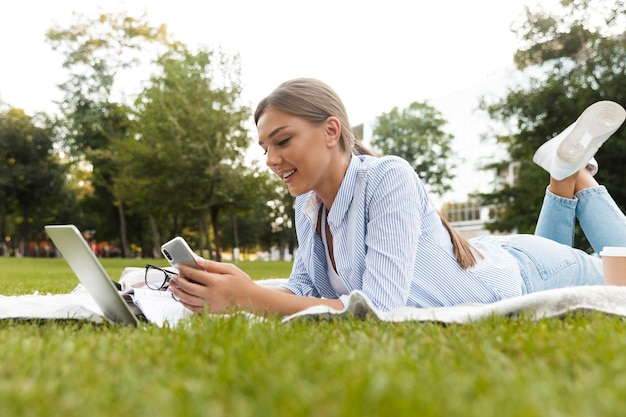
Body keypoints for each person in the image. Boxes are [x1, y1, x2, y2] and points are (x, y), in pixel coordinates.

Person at [168, 78, 626, 316]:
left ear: (331, 130)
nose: (270, 158)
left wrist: (250, 298)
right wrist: (234, 283)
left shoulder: (389, 177)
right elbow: (305, 291)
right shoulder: (307, 208)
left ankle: (571, 177)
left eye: (282, 141)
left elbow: (382, 309)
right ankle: (567, 176)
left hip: (530, 272)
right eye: (264, 147)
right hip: (504, 255)